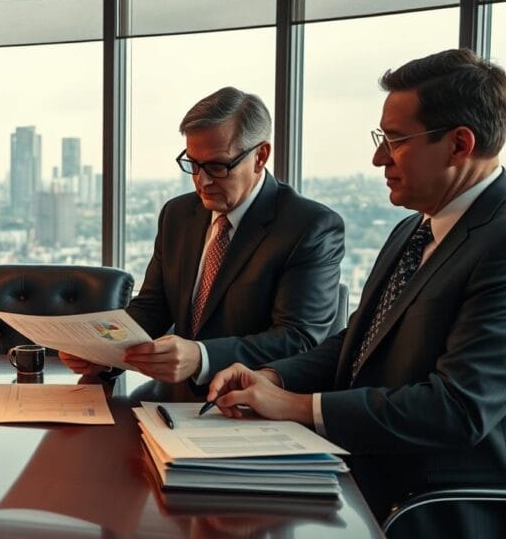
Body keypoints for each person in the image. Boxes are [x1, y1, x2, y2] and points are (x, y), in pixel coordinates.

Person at [206, 49, 506, 519]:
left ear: (459, 144)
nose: (377, 157)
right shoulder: (412, 229)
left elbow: (458, 409)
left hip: (429, 504)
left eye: (396, 140)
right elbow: (360, 342)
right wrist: (274, 376)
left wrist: (298, 406)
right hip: (358, 472)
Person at [61, 87, 345, 397]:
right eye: (193, 164)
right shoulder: (178, 213)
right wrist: (100, 350)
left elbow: (297, 338)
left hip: (250, 402)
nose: (202, 181)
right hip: (172, 396)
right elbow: (154, 307)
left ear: (260, 156)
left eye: (217, 166)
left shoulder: (309, 226)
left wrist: (202, 356)